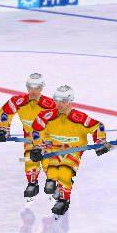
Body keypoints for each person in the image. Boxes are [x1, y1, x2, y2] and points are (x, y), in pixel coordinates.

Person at [28, 85, 107, 215]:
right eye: (56, 100)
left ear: (70, 100)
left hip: (72, 150)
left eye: (63, 101)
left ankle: (63, 200)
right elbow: (37, 130)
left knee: (64, 172)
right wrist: (37, 146)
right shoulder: (47, 116)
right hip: (54, 149)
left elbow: (98, 126)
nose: (58, 104)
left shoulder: (79, 117)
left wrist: (100, 141)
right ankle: (59, 187)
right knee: (51, 174)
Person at [0, 73, 55, 199]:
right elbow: (5, 112)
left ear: (41, 87)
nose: (33, 91)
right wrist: (3, 129)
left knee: (48, 160)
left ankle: (51, 180)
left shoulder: (50, 104)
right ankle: (32, 183)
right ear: (27, 87)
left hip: (47, 138)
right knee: (30, 158)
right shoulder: (18, 101)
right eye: (30, 87)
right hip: (30, 137)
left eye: (37, 87)